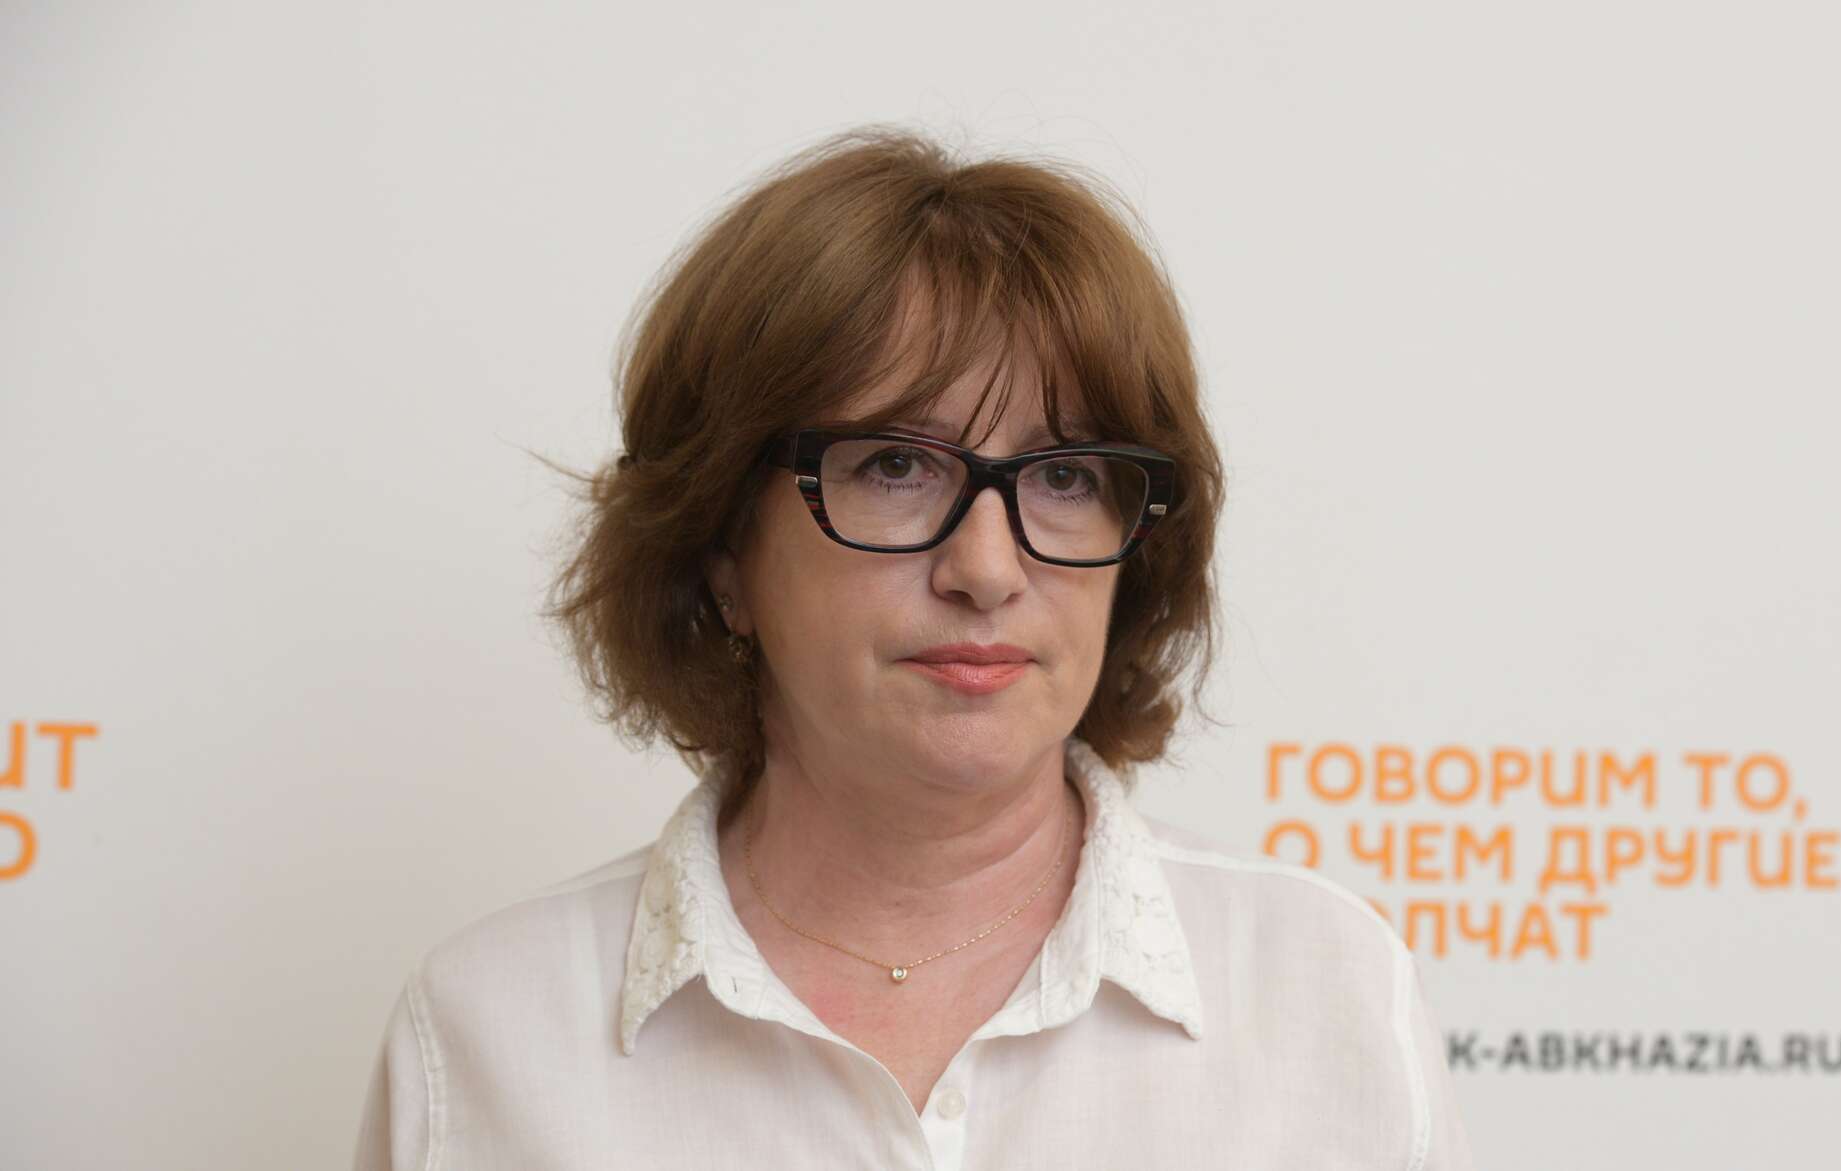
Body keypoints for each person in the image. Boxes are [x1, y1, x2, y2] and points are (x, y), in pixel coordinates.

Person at [352, 124, 1475, 1169]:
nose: (986, 567)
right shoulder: (486, 1036)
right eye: (895, 466)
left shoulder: (1326, 994)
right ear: (721, 548)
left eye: (1064, 475)